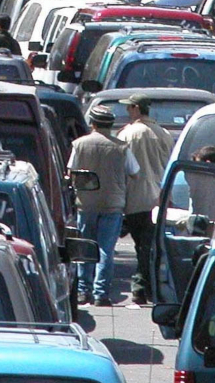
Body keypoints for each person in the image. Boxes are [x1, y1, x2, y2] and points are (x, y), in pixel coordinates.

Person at [69, 104, 140, 307]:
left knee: (85, 248)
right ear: (110, 125)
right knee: (106, 250)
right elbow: (135, 172)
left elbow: (71, 171)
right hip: (113, 204)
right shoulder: (121, 147)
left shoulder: (79, 144)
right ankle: (101, 294)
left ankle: (84, 291)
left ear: (92, 123)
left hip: (86, 203)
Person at [117, 93, 174, 305]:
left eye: (129, 108)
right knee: (150, 247)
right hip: (159, 199)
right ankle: (147, 288)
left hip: (135, 198)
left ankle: (141, 288)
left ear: (137, 109)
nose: (127, 112)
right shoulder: (165, 134)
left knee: (142, 246)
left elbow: (121, 166)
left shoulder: (128, 134)